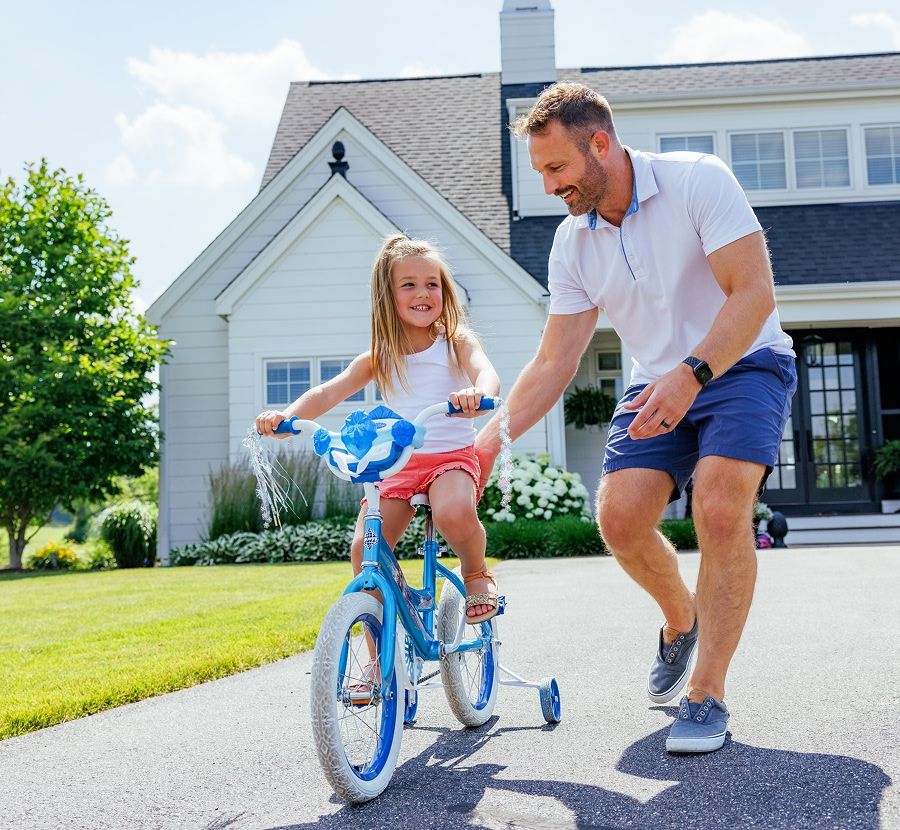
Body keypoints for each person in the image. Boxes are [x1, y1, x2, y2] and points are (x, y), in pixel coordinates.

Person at [475, 82, 796, 754]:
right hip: (657, 380)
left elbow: (754, 292)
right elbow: (554, 361)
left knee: (718, 506)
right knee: (618, 519)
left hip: (743, 363)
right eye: (539, 173)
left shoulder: (696, 182)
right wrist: (485, 446)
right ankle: (682, 619)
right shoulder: (573, 243)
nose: (548, 186)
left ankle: (706, 695)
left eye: (557, 168)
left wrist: (693, 373)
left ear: (600, 144)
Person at [256, 234, 501, 633]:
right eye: (409, 285)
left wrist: (479, 393)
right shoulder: (379, 355)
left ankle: (476, 575)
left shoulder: (455, 342)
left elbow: (486, 371)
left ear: (444, 290)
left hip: (450, 458)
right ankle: (374, 659)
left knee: (453, 511)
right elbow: (328, 391)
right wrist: (288, 417)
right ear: (389, 295)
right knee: (365, 549)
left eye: (432, 284)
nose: (423, 293)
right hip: (396, 464)